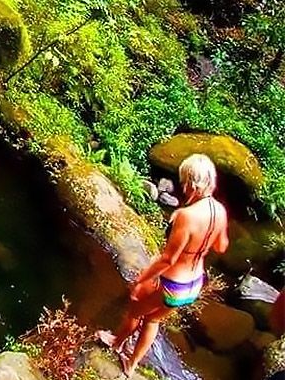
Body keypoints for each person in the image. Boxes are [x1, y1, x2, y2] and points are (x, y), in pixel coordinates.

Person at [97, 153, 230, 376]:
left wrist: (141, 281)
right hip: (193, 285)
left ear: (191, 183)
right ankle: (132, 365)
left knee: (135, 313)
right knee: (153, 320)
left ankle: (116, 343)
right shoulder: (220, 211)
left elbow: (168, 259)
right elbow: (221, 247)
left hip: (171, 282)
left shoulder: (186, 216)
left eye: (184, 181)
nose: (182, 186)